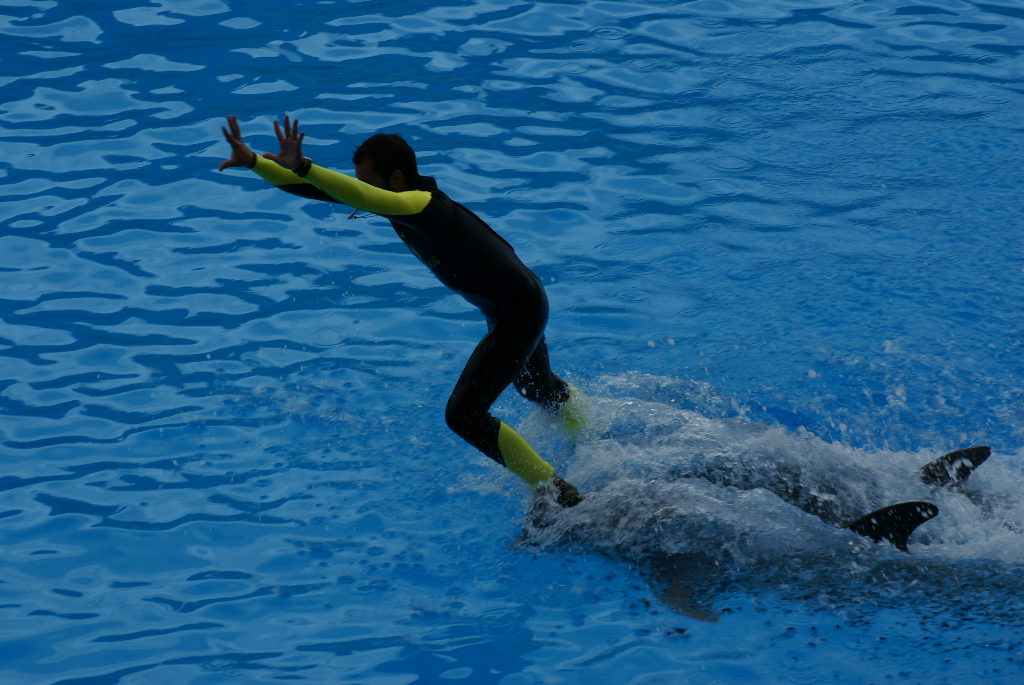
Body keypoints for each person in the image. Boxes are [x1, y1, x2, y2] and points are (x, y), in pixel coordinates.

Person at [218, 115, 584, 506]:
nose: (360, 192)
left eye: (367, 182)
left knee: (464, 414)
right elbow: (313, 190)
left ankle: (557, 492)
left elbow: (361, 197)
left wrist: (305, 165)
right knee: (535, 388)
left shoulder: (424, 205)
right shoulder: (398, 204)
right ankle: (591, 429)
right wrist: (256, 162)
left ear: (396, 178)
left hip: (521, 309)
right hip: (511, 306)